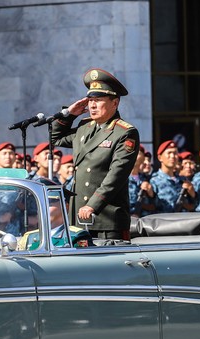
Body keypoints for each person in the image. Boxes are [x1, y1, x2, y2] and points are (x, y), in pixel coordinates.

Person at [50, 67, 140, 240]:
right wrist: (69, 114)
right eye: (90, 99)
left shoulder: (124, 133)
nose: (92, 104)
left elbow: (116, 175)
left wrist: (93, 205)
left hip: (106, 220)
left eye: (98, 100)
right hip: (79, 217)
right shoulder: (85, 127)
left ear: (115, 103)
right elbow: (55, 138)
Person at [152, 140, 195, 213]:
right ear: (160, 158)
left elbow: (194, 206)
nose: (172, 156)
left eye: (175, 153)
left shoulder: (183, 180)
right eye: (169, 153)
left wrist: (193, 194)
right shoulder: (154, 180)